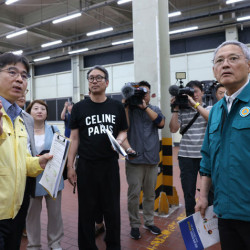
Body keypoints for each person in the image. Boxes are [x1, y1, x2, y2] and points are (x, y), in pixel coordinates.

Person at [195, 40, 250, 249]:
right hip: (224, 211)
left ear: (249, 65)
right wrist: (203, 196)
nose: (225, 64)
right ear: (214, 70)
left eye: (233, 58)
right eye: (219, 61)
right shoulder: (216, 110)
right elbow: (208, 157)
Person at [67, 65, 129, 250]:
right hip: (86, 166)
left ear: (107, 82)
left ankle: (113, 245)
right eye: (91, 78)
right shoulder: (78, 108)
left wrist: (118, 140)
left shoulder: (117, 106)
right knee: (86, 211)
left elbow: (124, 131)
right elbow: (74, 138)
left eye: (98, 77)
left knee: (112, 210)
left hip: (109, 165)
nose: (94, 81)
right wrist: (70, 166)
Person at [0, 52, 52, 250]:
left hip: (16, 210)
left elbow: (21, 160)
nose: (19, 79)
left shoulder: (23, 119)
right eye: (12, 72)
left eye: (24, 75)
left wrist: (38, 162)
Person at [123, 80, 165, 240]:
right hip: (134, 160)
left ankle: (148, 221)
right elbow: (124, 126)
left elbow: (160, 123)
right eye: (140, 93)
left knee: (149, 194)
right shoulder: (129, 110)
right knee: (133, 194)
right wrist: (126, 105)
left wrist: (145, 107)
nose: (143, 95)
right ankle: (134, 225)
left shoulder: (154, 109)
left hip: (152, 159)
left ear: (150, 95)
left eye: (145, 92)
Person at [169, 80, 212, 217]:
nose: (193, 95)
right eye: (190, 93)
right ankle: (191, 220)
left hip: (205, 157)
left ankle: (210, 220)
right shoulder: (182, 110)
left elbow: (210, 119)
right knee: (188, 192)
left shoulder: (209, 108)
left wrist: (195, 105)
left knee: (210, 191)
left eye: (196, 92)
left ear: (202, 92)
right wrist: (175, 109)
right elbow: (173, 128)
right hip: (186, 156)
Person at [26, 100, 64, 250]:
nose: (39, 111)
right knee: (32, 215)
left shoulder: (54, 130)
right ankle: (34, 245)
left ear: (47, 113)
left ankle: (55, 243)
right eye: (35, 108)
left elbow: (62, 151)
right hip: (32, 178)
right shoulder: (24, 131)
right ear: (29, 113)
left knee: (55, 214)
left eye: (43, 108)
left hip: (53, 178)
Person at [7, 91, 37, 250]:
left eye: (24, 91)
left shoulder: (27, 118)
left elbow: (28, 148)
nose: (21, 93)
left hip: (26, 175)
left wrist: (37, 161)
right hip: (6, 181)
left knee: (16, 228)